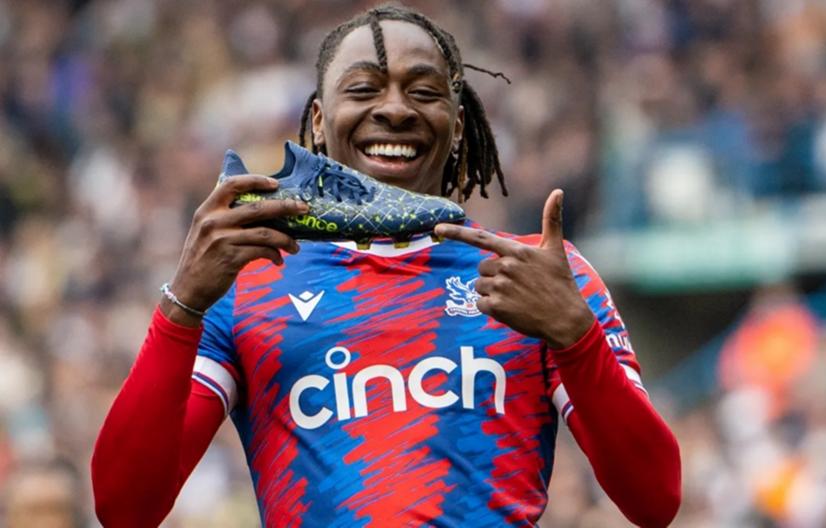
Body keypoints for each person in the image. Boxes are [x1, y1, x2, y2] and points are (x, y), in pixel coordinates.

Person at [92, 5, 681, 527]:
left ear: (456, 123)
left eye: (423, 92)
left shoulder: (534, 272)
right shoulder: (249, 281)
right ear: (318, 120)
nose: (395, 109)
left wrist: (576, 336)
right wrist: (183, 306)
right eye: (363, 89)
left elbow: (654, 500)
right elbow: (125, 508)